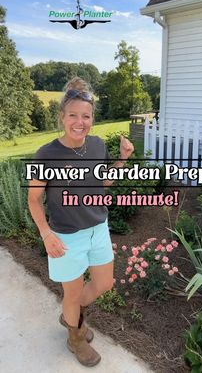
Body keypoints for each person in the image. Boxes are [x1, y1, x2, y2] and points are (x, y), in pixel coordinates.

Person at [28, 77, 134, 367]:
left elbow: (103, 184)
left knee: (104, 283)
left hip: (97, 228)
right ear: (62, 116)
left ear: (92, 119)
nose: (79, 121)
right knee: (72, 293)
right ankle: (75, 336)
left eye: (85, 116)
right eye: (73, 115)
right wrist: (46, 233)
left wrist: (122, 159)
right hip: (66, 236)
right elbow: (34, 199)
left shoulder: (98, 146)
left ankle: (70, 315)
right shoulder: (47, 154)